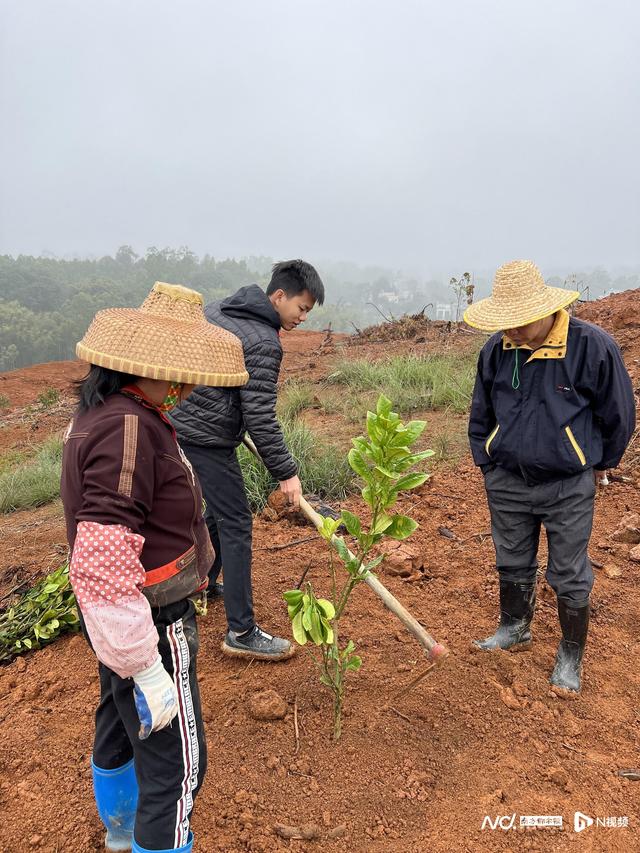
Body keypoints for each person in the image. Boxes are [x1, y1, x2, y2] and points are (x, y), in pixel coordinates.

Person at [61, 282, 248, 853]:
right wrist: (146, 664)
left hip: (117, 623)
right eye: (178, 375)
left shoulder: (108, 415)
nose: (186, 388)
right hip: (150, 619)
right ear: (146, 368)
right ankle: (152, 839)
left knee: (118, 723)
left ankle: (120, 832)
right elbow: (105, 549)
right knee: (175, 763)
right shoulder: (130, 430)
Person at [464, 260, 635, 696]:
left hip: (568, 486)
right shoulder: (497, 350)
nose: (513, 331)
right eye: (507, 322)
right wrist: (487, 461)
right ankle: (514, 627)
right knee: (512, 559)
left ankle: (570, 655)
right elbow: (481, 411)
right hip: (507, 481)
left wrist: (596, 464)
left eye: (520, 322)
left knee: (569, 572)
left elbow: (619, 416)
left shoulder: (591, 346)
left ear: (546, 309)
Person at [170, 260, 325, 661]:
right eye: (301, 308)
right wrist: (287, 472)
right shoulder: (263, 341)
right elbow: (260, 415)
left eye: (308, 311)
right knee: (237, 521)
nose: (303, 318)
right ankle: (241, 630)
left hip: (180, 422)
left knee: (221, 513)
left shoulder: (220, 310)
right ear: (278, 296)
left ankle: (201, 582)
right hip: (207, 437)